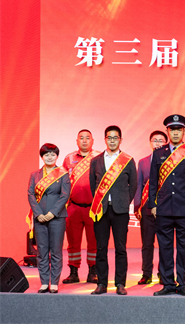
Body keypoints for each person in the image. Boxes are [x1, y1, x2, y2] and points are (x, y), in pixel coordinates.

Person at [149, 114, 185, 297]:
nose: (175, 133)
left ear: (184, 131)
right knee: (164, 248)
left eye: (179, 130)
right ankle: (167, 284)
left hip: (184, 208)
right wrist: (153, 204)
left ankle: (183, 283)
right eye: (172, 130)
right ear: (167, 131)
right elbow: (153, 182)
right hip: (163, 207)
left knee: (183, 248)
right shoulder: (158, 153)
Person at [89, 125, 137, 295]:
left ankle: (120, 283)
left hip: (120, 211)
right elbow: (93, 185)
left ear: (120, 140)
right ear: (105, 140)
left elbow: (133, 185)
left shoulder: (128, 160)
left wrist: (124, 201)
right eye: (109, 138)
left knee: (120, 248)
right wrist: (99, 202)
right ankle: (102, 283)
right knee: (101, 248)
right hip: (100, 211)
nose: (112, 141)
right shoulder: (95, 161)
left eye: (115, 138)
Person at [28, 143, 70, 293]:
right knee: (42, 251)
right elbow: (31, 195)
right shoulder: (34, 174)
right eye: (46, 154)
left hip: (57, 217)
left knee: (56, 251)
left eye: (53, 154)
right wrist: (39, 214)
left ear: (57, 156)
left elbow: (65, 195)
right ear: (42, 157)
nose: (50, 157)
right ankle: (44, 282)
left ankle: (54, 283)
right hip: (40, 218)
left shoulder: (63, 174)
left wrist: (52, 213)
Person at [61, 129, 101, 284]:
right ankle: (73, 272)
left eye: (87, 138)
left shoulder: (99, 157)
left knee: (94, 241)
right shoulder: (68, 159)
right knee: (73, 242)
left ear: (92, 141)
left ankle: (93, 272)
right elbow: (63, 182)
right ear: (77, 141)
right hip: (74, 207)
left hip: (93, 208)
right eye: (81, 138)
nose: (84, 140)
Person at [133, 130, 168, 285]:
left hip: (165, 210)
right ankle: (146, 274)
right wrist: (137, 206)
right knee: (147, 244)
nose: (157, 143)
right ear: (150, 142)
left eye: (161, 140)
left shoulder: (170, 162)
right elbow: (138, 185)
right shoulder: (143, 162)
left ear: (166, 143)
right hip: (147, 209)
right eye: (155, 140)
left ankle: (163, 273)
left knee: (164, 244)